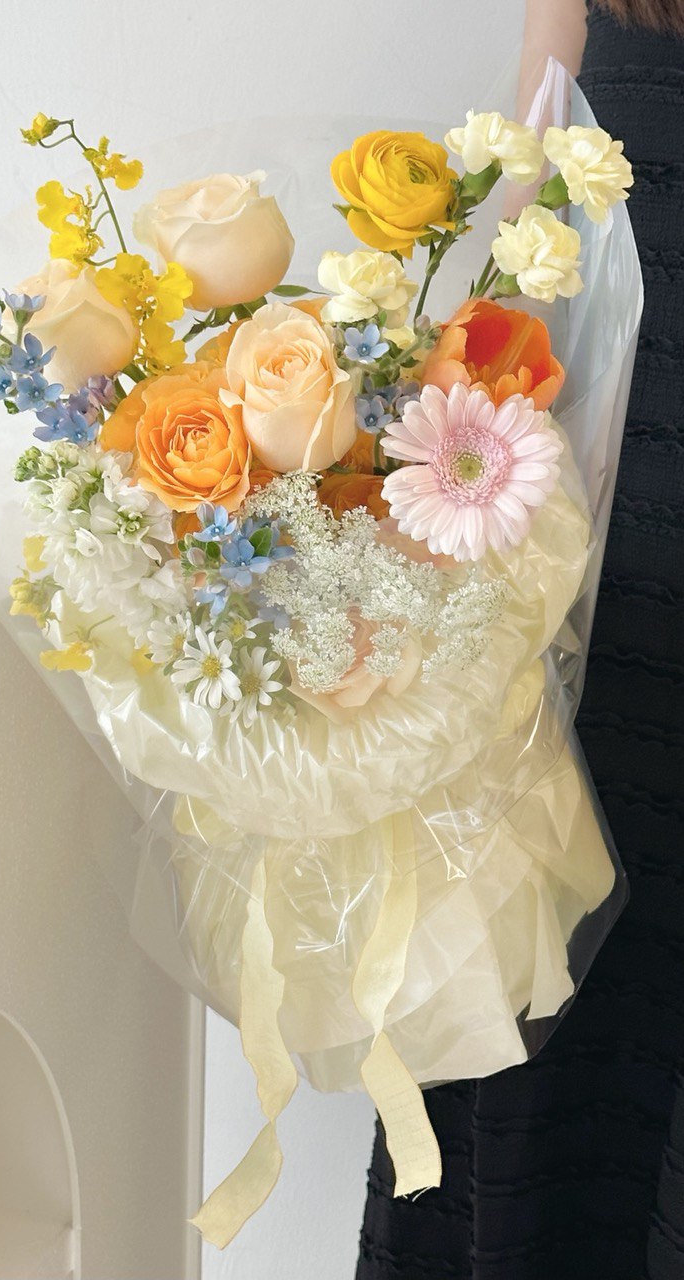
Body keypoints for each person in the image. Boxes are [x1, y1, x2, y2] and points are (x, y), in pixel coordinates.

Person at [356, 2, 684, 1277]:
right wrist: (437, 445)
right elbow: (539, 137)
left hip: (607, 441)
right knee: (560, 874)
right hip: (601, 438)